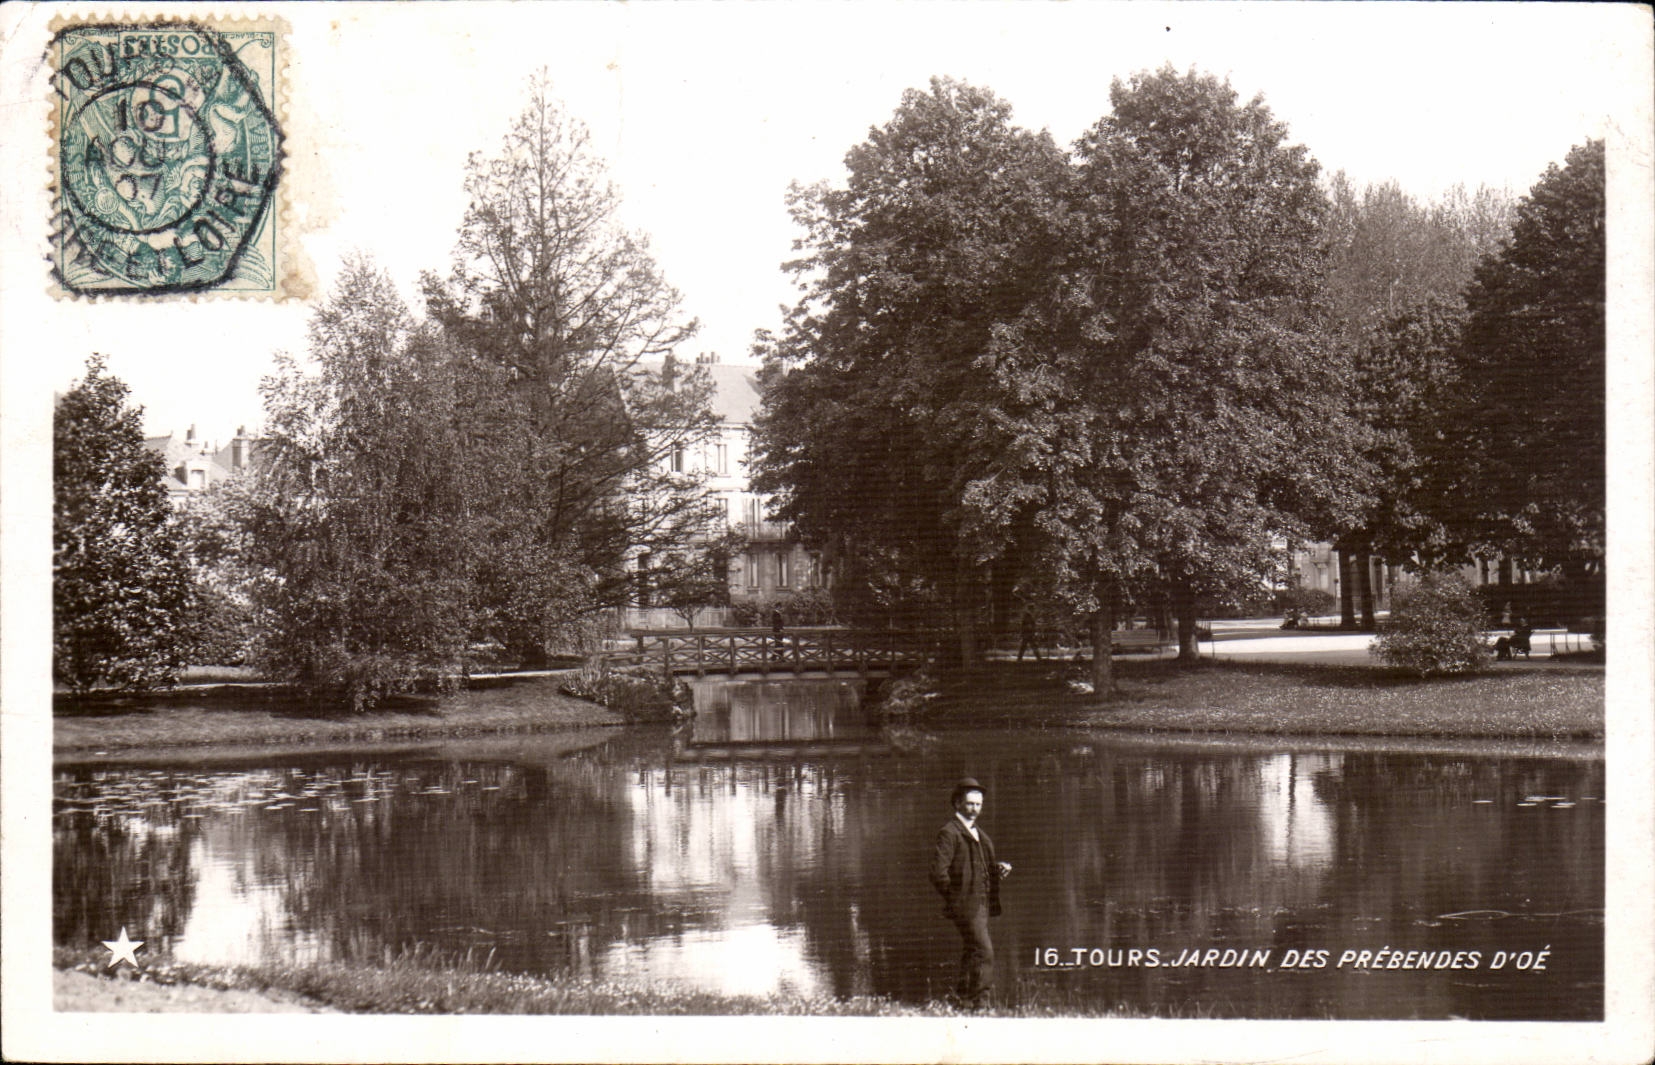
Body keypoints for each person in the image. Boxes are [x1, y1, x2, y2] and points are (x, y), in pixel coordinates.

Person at [929, 777, 1011, 1009]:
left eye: (978, 804)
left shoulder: (979, 834)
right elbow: (937, 873)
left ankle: (961, 1000)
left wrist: (997, 869)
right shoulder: (949, 832)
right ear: (957, 804)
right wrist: (956, 899)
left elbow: (977, 866)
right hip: (966, 906)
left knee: (973, 952)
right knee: (985, 953)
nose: (974, 809)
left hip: (982, 904)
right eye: (969, 804)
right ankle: (980, 1004)